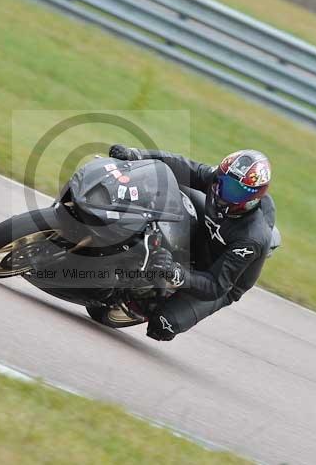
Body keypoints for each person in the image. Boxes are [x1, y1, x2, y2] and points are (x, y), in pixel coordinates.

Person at [108, 144, 278, 341]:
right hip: (208, 234)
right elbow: (183, 166)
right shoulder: (219, 184)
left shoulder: (251, 238)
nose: (221, 190)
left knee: (163, 325)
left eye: (232, 190)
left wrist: (175, 272)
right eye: (220, 180)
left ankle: (152, 299)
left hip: (220, 279)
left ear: (251, 198)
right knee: (167, 190)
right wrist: (136, 155)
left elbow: (216, 285)